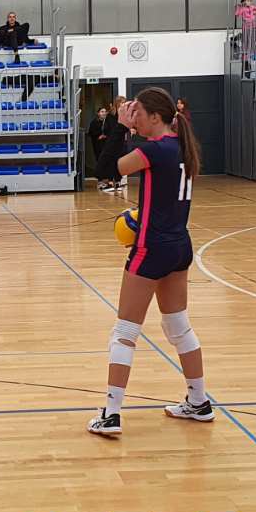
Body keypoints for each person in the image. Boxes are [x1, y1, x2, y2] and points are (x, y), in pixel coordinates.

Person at [87, 87, 207, 436]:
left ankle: (111, 414)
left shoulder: (154, 150)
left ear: (155, 117)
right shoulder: (182, 147)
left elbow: (105, 169)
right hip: (179, 245)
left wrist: (120, 128)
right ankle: (198, 401)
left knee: (124, 332)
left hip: (151, 248)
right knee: (179, 328)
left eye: (137, 112)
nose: (133, 117)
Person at [97, 97, 128, 193]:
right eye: (122, 102)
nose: (123, 104)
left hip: (120, 142)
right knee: (110, 160)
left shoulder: (124, 115)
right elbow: (108, 129)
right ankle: (109, 182)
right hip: (111, 141)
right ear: (117, 104)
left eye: (124, 102)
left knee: (119, 161)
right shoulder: (111, 116)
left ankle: (118, 181)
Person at [235, 0, 256, 71]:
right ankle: (245, 57)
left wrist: (254, 12)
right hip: (246, 27)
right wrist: (239, 7)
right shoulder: (242, 9)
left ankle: (254, 55)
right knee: (245, 42)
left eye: (250, 0)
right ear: (244, 2)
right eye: (248, 0)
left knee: (253, 41)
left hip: (253, 26)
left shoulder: (252, 7)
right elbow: (237, 14)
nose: (249, 2)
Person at [87, 105, 108, 179]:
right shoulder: (94, 122)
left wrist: (106, 135)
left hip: (107, 143)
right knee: (99, 159)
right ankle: (100, 176)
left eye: (105, 112)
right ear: (98, 113)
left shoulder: (108, 122)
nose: (104, 113)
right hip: (98, 144)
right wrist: (99, 136)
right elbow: (91, 133)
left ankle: (106, 176)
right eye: (102, 111)